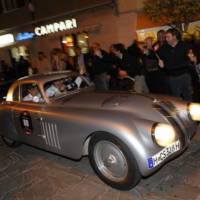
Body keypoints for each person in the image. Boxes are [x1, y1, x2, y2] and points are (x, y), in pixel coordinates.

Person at [157, 28, 193, 100]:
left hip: (184, 75)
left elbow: (190, 60)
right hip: (172, 77)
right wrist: (148, 53)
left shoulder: (184, 46)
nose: (166, 39)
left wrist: (191, 59)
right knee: (176, 98)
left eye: (168, 37)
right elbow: (156, 55)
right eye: (166, 37)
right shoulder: (164, 47)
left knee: (188, 96)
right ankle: (180, 111)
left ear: (174, 37)